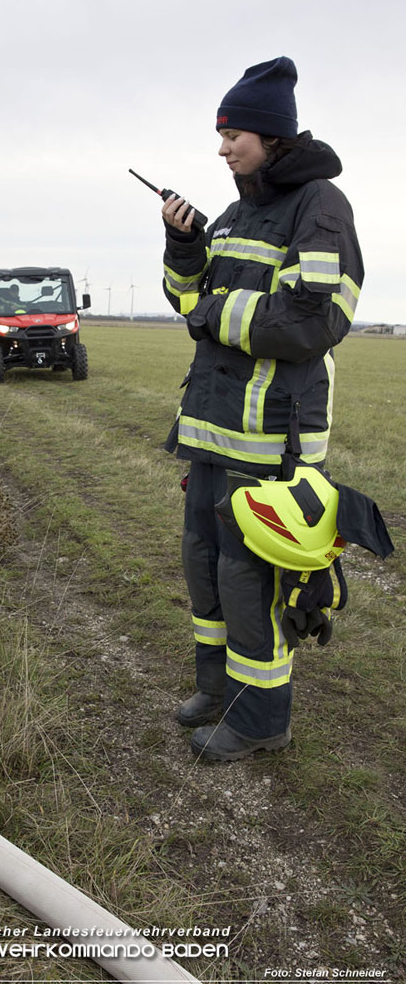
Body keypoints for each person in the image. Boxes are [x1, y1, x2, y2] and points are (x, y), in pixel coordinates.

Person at [160, 57, 364, 760]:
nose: (221, 149)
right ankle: (214, 690)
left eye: (232, 135)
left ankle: (258, 721)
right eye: (219, 137)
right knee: (205, 566)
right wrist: (183, 245)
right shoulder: (235, 209)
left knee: (250, 581)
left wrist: (213, 309)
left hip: (270, 442)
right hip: (211, 434)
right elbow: (185, 301)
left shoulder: (319, 206)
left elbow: (313, 319)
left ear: (270, 135)